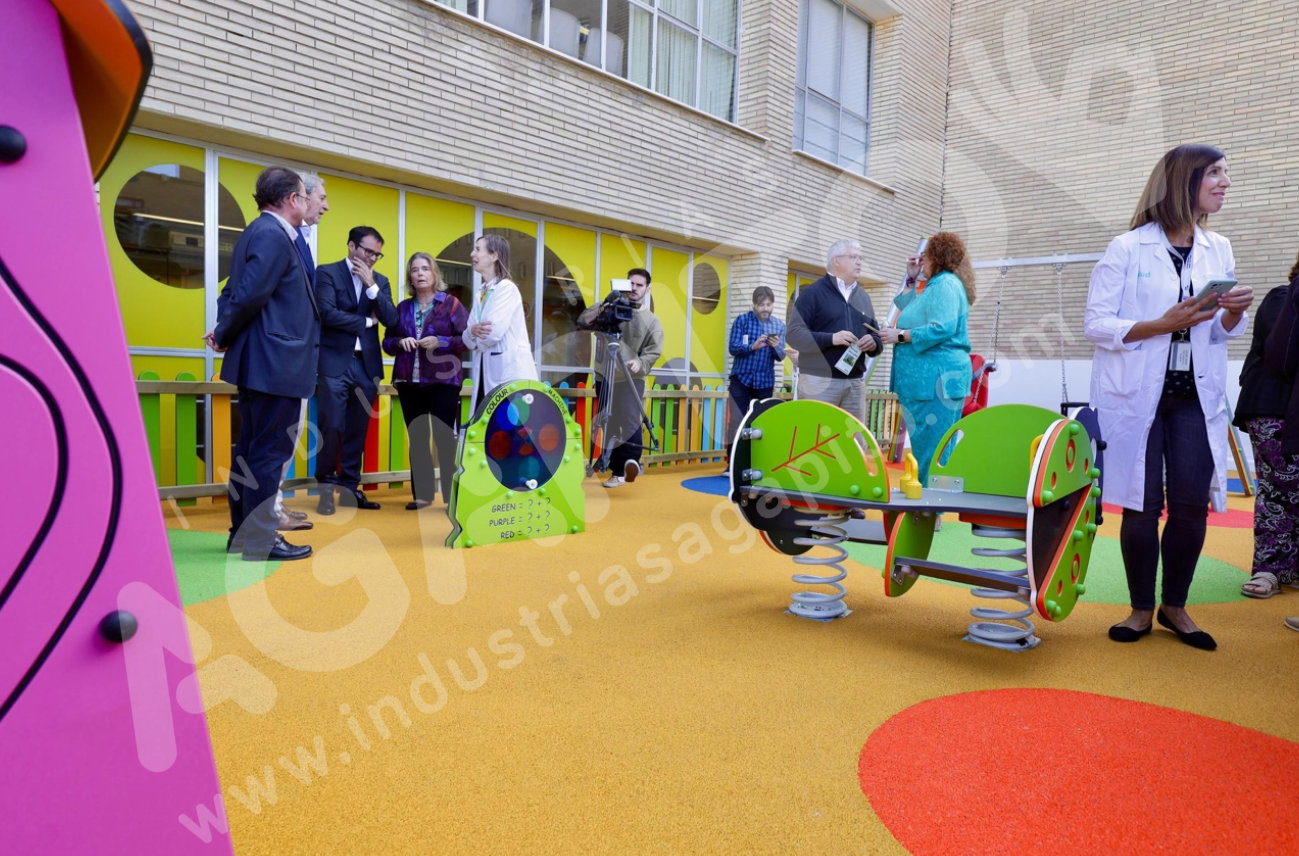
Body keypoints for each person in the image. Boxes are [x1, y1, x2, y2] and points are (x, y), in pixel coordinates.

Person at [1083, 143, 1253, 650]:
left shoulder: (1217, 247)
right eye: (1216, 174)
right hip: (1137, 395)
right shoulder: (1127, 247)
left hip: (1192, 398)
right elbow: (1096, 324)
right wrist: (1163, 324)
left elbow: (1220, 336)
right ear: (1185, 180)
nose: (1225, 183)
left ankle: (1174, 606)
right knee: (1140, 503)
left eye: (1226, 174)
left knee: (1189, 506)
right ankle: (1139, 610)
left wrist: (1231, 313)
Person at [204, 166, 317, 562]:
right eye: (305, 196)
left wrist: (224, 331)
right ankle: (259, 541)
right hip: (275, 363)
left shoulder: (263, 232)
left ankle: (243, 534)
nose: (307, 203)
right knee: (267, 455)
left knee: (251, 452)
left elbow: (236, 291)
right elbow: (249, 294)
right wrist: (223, 331)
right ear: (291, 200)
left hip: (265, 362)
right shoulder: (272, 234)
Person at [313, 226, 399, 515]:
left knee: (357, 431)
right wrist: (366, 323)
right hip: (334, 363)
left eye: (377, 253)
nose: (373, 257)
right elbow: (326, 313)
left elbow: (392, 319)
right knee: (332, 426)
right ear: (351, 246)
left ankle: (349, 490)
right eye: (368, 251)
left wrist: (372, 286)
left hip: (366, 366)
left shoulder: (381, 281)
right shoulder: (327, 273)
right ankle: (326, 488)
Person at [877, 232, 974, 484]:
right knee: (928, 445)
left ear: (936, 257)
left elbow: (942, 328)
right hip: (927, 381)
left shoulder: (945, 285)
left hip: (934, 381)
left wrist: (899, 335)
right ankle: (931, 506)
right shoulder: (937, 286)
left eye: (925, 256)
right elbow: (910, 312)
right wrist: (911, 279)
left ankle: (931, 508)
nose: (922, 261)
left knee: (933, 446)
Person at [1234, 256, 1298, 599]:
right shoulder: (1282, 297)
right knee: (1278, 489)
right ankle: (1270, 569)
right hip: (1273, 408)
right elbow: (1281, 355)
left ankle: (1287, 568)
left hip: (1289, 409)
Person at [383, 253, 469, 510]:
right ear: (410, 276)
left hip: (444, 381)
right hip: (409, 381)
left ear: (434, 274)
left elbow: (466, 340)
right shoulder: (402, 308)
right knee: (418, 437)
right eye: (414, 270)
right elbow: (387, 343)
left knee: (444, 437)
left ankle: (452, 496)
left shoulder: (451, 305)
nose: (419, 274)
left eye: (425, 269)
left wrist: (441, 342)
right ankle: (421, 495)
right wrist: (400, 342)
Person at [272, 171, 329, 533]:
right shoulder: (276, 236)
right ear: (300, 197)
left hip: (297, 359)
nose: (325, 206)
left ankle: (275, 505)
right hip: (282, 360)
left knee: (286, 443)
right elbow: (250, 289)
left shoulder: (301, 239)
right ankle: (269, 512)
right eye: (321, 198)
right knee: (276, 444)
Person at [785, 239, 882, 420]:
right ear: (836, 261)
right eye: (854, 257)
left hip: (854, 382)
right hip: (818, 381)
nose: (860, 262)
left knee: (852, 442)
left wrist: (873, 343)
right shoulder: (812, 293)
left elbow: (876, 336)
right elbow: (794, 334)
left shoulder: (863, 297)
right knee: (816, 440)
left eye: (861, 257)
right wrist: (831, 339)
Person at [589, 268, 663, 488]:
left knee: (630, 420)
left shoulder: (651, 321)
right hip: (605, 374)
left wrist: (639, 363)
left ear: (647, 289)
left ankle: (631, 462)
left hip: (632, 376)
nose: (634, 289)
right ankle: (616, 471)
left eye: (639, 285)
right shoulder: (609, 308)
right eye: (631, 284)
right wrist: (604, 305)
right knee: (609, 422)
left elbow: (653, 350)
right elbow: (585, 320)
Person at [462, 234, 537, 408]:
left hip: (508, 374)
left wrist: (474, 335)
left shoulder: (506, 288)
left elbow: (492, 333)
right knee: (487, 427)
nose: (473, 254)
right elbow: (466, 339)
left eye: (478, 249)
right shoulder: (481, 292)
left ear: (494, 256)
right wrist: (472, 332)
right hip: (485, 372)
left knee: (510, 428)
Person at [726, 285, 786, 450]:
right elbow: (733, 347)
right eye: (761, 305)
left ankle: (757, 463)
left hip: (764, 382)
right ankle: (731, 463)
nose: (765, 309)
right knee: (737, 420)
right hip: (741, 379)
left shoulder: (779, 326)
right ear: (754, 305)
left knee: (760, 422)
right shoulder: (742, 321)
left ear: (773, 305)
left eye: (768, 305)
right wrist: (752, 347)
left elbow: (781, 357)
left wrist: (776, 347)